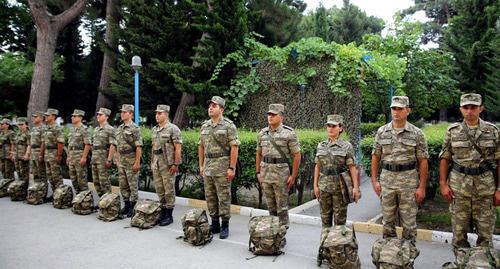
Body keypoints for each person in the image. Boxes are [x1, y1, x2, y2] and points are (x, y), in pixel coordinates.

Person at [438, 93, 499, 258]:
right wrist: (443, 184)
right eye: (466, 107)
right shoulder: (453, 131)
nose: (470, 111)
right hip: (459, 189)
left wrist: (499, 189)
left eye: (473, 107)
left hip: (485, 189)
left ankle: (483, 263)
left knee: (485, 236)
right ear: (461, 109)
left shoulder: (492, 131)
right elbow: (445, 158)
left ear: (481, 108)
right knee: (459, 236)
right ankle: (462, 263)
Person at [371, 96, 429, 246]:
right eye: (393, 108)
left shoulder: (416, 133)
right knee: (387, 223)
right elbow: (376, 156)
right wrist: (374, 181)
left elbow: (423, 161)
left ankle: (407, 258)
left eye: (400, 109)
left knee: (409, 225)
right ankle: (389, 257)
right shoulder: (382, 131)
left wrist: (422, 187)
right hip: (387, 182)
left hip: (408, 183)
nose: (396, 112)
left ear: (407, 110)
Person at [198, 96, 239, 239]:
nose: (210, 107)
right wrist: (201, 165)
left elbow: (234, 148)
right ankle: (214, 223)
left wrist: (231, 168)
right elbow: (201, 147)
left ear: (221, 109)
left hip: (222, 167)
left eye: (214, 106)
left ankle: (225, 225)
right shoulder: (205, 126)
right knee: (210, 197)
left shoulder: (228, 126)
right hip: (208, 166)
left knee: (223, 197)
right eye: (210, 105)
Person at [256, 104, 301, 228]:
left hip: (281, 175)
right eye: (269, 114)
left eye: (273, 115)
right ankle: (272, 234)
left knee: (282, 207)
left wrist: (293, 175)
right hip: (265, 174)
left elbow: (297, 156)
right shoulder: (262, 133)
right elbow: (259, 153)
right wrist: (258, 172)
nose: (270, 117)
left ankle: (282, 233)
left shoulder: (289, 134)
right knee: (271, 206)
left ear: (281, 117)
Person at [313, 114, 360, 234]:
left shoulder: (346, 146)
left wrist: (355, 188)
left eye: (334, 126)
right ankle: (325, 248)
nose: (331, 128)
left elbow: (352, 168)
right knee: (325, 222)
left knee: (340, 223)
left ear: (340, 128)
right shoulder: (321, 145)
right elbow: (317, 166)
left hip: (340, 188)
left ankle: (338, 250)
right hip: (324, 187)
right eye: (328, 126)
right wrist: (315, 186)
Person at [151, 104, 182, 226]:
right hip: (157, 163)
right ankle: (163, 212)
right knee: (159, 189)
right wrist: (152, 162)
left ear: (166, 114)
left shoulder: (173, 129)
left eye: (160, 113)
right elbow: (153, 147)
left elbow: (178, 148)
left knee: (169, 189)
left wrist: (176, 164)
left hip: (168, 164)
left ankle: (169, 215)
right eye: (156, 113)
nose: (157, 116)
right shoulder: (155, 130)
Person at [116, 104, 142, 218]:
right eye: (121, 112)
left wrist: (137, 162)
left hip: (131, 159)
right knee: (123, 185)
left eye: (124, 112)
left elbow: (138, 147)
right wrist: (117, 159)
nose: (122, 114)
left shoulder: (134, 128)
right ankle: (126, 205)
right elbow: (117, 145)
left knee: (132, 185)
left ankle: (133, 207)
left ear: (131, 114)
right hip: (121, 160)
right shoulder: (120, 128)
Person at [91, 107, 116, 197]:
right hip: (95, 158)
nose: (98, 116)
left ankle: (108, 202)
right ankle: (102, 201)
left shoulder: (110, 129)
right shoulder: (96, 129)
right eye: (97, 114)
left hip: (103, 159)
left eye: (100, 115)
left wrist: (109, 160)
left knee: (104, 182)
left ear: (106, 117)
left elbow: (113, 145)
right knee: (96, 182)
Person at [40, 108, 65, 194]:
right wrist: (41, 154)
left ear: (53, 116)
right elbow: (43, 142)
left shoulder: (57, 128)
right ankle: (55, 194)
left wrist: (59, 155)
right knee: (50, 176)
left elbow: (60, 143)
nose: (46, 117)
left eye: (48, 115)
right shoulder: (47, 128)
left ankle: (61, 194)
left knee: (56, 176)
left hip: (54, 153)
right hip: (47, 154)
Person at [67, 109, 91, 194]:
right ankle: (78, 198)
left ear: (80, 118)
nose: (72, 117)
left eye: (74, 116)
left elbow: (87, 144)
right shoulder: (72, 129)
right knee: (73, 179)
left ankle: (85, 199)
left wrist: (84, 157)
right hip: (72, 156)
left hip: (79, 155)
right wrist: (68, 156)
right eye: (72, 116)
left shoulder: (84, 129)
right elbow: (69, 145)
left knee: (82, 179)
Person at [30, 111, 47, 183]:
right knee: (35, 173)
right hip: (33, 152)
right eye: (33, 117)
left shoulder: (43, 128)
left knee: (41, 173)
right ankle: (37, 191)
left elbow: (43, 142)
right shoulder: (34, 128)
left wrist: (41, 154)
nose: (33, 118)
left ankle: (42, 191)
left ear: (41, 118)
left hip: (39, 151)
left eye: (35, 117)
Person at [14, 117, 30, 187]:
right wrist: (14, 153)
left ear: (26, 125)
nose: (20, 126)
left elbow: (29, 145)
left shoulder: (28, 134)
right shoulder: (18, 133)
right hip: (17, 156)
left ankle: (25, 189)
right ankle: (20, 190)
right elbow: (16, 144)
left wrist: (27, 155)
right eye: (19, 124)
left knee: (25, 174)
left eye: (21, 124)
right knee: (19, 172)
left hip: (23, 156)